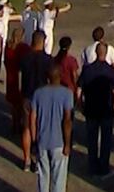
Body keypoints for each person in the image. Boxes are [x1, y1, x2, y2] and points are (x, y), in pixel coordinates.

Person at [77, 42, 114, 179]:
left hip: (91, 108)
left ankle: (92, 167)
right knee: (106, 140)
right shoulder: (111, 71)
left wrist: (80, 106)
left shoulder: (87, 70)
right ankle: (103, 168)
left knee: (91, 139)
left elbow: (78, 91)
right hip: (106, 109)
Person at [31, 63, 74, 192]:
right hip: (59, 142)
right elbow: (67, 121)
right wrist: (67, 144)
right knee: (59, 181)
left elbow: (32, 118)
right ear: (60, 77)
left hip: (42, 141)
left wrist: (34, 141)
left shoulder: (38, 93)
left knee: (43, 178)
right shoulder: (67, 94)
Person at [20, 30, 54, 172]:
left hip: (28, 94)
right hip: (42, 96)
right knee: (41, 128)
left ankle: (27, 159)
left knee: (27, 128)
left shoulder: (25, 58)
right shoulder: (47, 59)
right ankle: (39, 157)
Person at [4, 26, 29, 134]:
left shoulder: (8, 46)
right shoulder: (23, 48)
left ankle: (15, 124)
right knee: (21, 104)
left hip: (11, 76)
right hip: (20, 77)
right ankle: (21, 125)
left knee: (14, 104)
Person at [54, 36, 81, 109]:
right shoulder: (71, 60)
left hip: (57, 88)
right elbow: (74, 76)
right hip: (69, 89)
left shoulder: (55, 59)